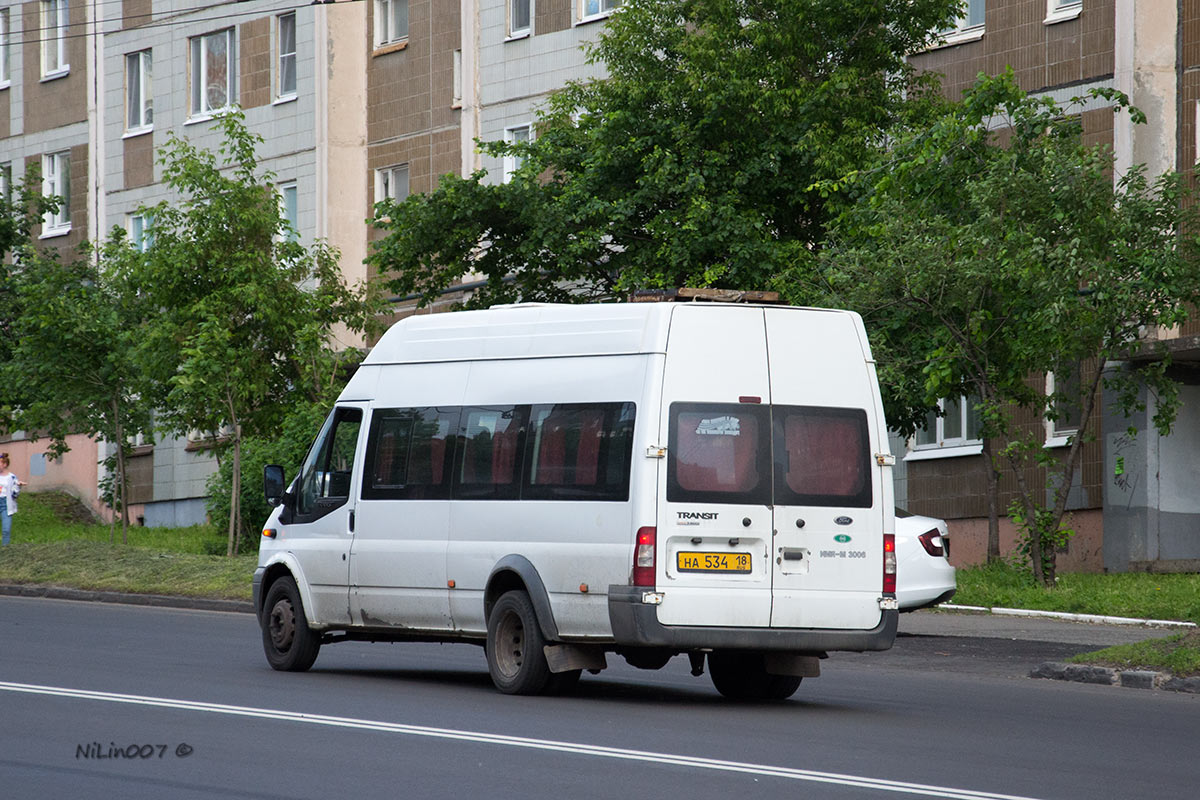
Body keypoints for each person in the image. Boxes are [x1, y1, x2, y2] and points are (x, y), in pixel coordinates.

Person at [0, 453, 26, 546]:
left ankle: (5, 549)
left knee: (6, 529)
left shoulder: (11, 477)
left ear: (4, 464)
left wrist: (18, 486)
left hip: (5, 505)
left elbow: (15, 495)